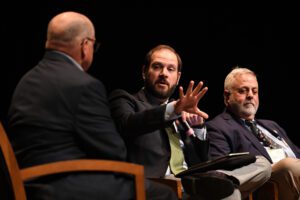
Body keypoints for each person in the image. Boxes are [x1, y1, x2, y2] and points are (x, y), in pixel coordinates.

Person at [7, 12, 177, 200]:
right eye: (94, 46)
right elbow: (113, 151)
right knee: (163, 193)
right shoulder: (83, 84)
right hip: (65, 185)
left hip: (30, 184)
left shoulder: (27, 80)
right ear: (84, 45)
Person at [109, 45, 272, 200]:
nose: (164, 73)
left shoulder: (182, 112)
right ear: (144, 72)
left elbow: (203, 163)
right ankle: (213, 184)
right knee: (226, 192)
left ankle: (222, 180)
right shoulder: (125, 99)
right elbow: (128, 124)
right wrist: (173, 109)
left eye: (170, 69)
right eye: (157, 66)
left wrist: (199, 130)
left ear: (178, 77)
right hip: (156, 182)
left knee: (261, 163)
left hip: (193, 179)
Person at [206, 67, 300, 200]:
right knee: (289, 165)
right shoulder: (218, 127)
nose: (250, 95)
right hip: (266, 186)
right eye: (243, 91)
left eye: (254, 91)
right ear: (227, 97)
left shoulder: (272, 125)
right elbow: (221, 175)